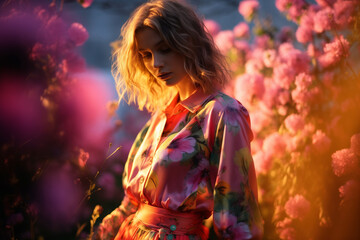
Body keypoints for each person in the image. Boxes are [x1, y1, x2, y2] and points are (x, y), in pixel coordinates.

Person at [95, 0, 263, 239]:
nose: (156, 64)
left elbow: (237, 213)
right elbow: (131, 204)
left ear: (189, 42)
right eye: (146, 55)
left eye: (164, 49)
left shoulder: (223, 113)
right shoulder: (160, 116)